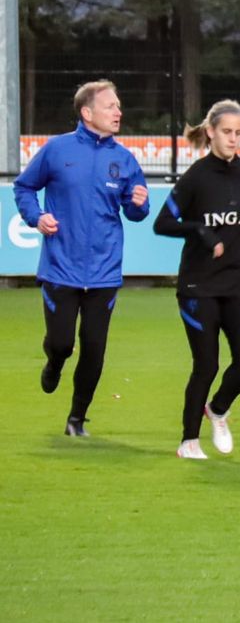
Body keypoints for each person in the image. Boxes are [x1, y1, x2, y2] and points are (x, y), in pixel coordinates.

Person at [13, 79, 150, 437]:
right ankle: (54, 362)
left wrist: (139, 204)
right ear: (87, 113)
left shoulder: (123, 158)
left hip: (105, 272)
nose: (118, 111)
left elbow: (136, 211)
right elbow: (24, 187)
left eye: (119, 106)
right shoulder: (57, 149)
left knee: (94, 350)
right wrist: (36, 217)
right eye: (110, 106)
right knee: (62, 344)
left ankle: (76, 419)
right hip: (61, 267)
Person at [154, 100, 240, 459]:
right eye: (227, 132)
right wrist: (201, 231)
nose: (233, 138)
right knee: (207, 365)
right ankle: (189, 440)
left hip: (239, 281)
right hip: (198, 285)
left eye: (239, 132)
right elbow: (163, 223)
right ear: (211, 132)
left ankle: (218, 409)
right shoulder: (195, 178)